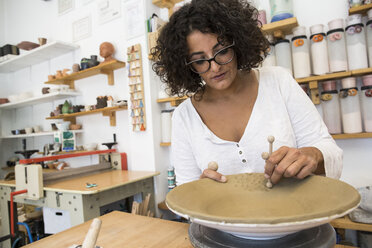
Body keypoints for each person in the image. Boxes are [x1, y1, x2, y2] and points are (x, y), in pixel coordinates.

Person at [151, 0, 342, 186]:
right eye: (200, 60)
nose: (215, 67)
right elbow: (186, 196)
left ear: (237, 43)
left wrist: (313, 155)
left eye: (222, 51)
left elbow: (331, 153)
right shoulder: (184, 117)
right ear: (187, 66)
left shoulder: (278, 81)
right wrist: (201, 192)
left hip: (297, 215)